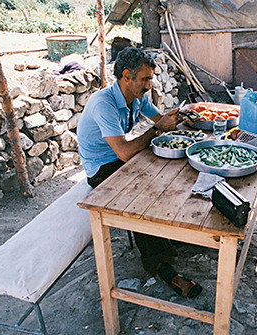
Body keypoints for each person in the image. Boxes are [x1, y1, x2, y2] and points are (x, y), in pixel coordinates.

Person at [77, 47, 202, 298]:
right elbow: (125, 151)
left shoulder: (137, 97)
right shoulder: (104, 103)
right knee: (142, 195)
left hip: (118, 157)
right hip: (101, 167)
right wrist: (158, 129)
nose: (149, 85)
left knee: (168, 172)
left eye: (150, 79)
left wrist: (179, 119)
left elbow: (159, 119)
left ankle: (168, 235)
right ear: (126, 76)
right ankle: (158, 264)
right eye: (145, 79)